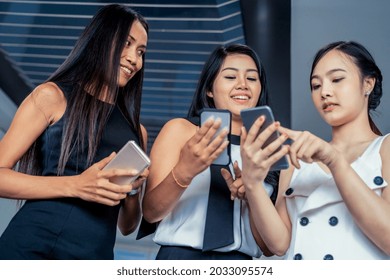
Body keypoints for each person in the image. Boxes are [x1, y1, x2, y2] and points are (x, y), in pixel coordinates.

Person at [0, 4, 149, 259]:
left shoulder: (138, 132)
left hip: (95, 255)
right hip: (33, 246)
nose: (134, 59)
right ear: (101, 40)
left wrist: (133, 190)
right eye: (126, 43)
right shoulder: (52, 96)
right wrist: (77, 185)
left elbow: (127, 225)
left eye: (141, 51)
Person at [241, 41, 390, 259]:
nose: (325, 92)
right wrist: (252, 184)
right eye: (316, 85)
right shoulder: (295, 157)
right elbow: (279, 244)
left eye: (337, 79)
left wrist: (335, 161)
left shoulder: (384, 148)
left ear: (367, 83)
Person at [141, 43, 287, 260]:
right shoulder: (181, 131)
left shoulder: (270, 148)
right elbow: (151, 213)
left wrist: (252, 195)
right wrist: (185, 170)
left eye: (252, 78)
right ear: (209, 88)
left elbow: (268, 247)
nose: (242, 85)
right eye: (230, 77)